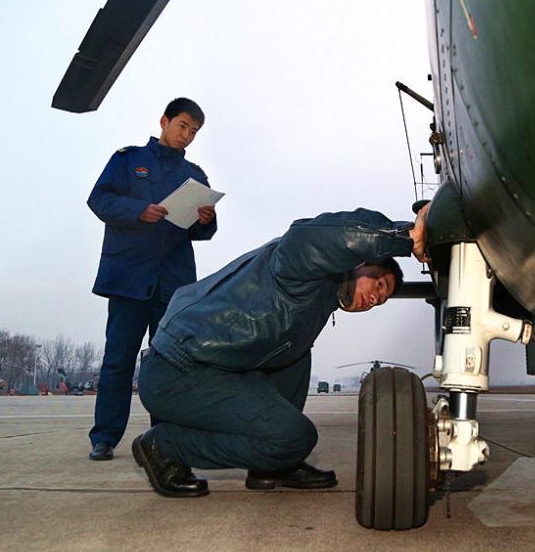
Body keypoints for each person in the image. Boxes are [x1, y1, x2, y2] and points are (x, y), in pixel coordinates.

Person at [132, 204, 430, 497]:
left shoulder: (320, 301)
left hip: (213, 368)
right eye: (378, 284)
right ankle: (165, 446)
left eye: (380, 300)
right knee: (296, 438)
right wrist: (404, 236)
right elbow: (309, 236)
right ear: (359, 261)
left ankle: (270, 467)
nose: (374, 299)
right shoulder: (297, 268)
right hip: (177, 371)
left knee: (297, 350)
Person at [87, 98, 218, 462]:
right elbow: (98, 200)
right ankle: (105, 437)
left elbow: (203, 232)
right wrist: (138, 210)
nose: (187, 135)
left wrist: (206, 219)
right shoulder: (128, 161)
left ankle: (165, 438)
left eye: (194, 131)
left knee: (168, 364)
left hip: (173, 284)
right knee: (118, 360)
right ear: (164, 121)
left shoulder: (195, 175)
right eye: (182, 126)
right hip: (130, 278)